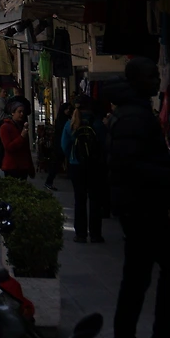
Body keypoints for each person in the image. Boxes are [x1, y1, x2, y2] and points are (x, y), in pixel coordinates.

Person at [107, 58, 170, 338]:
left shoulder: (135, 112)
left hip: (141, 205)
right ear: (137, 80)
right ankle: (158, 335)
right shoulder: (133, 116)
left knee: (141, 274)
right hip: (142, 207)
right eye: (152, 76)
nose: (157, 80)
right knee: (162, 270)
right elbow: (130, 165)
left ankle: (135, 336)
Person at [60, 97, 105, 243]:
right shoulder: (97, 124)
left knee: (79, 199)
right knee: (95, 199)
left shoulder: (71, 124)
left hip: (76, 165)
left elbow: (64, 145)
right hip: (95, 165)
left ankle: (80, 234)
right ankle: (96, 234)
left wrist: (72, 157)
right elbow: (104, 144)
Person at [0, 99, 34, 179]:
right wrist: (21, 137)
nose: (22, 114)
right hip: (12, 166)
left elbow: (26, 149)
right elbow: (8, 147)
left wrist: (30, 167)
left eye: (23, 112)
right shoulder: (5, 127)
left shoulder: (22, 126)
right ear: (13, 113)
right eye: (19, 112)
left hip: (23, 166)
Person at [43, 101, 73, 191]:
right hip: (60, 144)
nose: (68, 111)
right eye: (67, 109)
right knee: (56, 163)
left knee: (58, 163)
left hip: (62, 143)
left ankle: (49, 181)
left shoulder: (65, 119)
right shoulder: (62, 120)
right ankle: (49, 181)